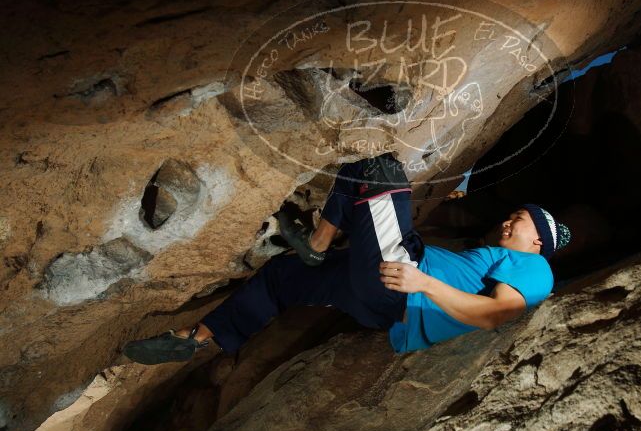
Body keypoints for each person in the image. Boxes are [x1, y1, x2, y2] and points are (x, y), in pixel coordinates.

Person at [123, 153, 571, 364]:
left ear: (539, 240)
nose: (507, 223)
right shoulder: (496, 257)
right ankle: (196, 337)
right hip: (381, 302)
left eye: (518, 220)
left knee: (380, 171)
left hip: (402, 285)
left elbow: (495, 315)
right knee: (282, 275)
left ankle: (318, 243)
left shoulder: (537, 268)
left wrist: (424, 284)